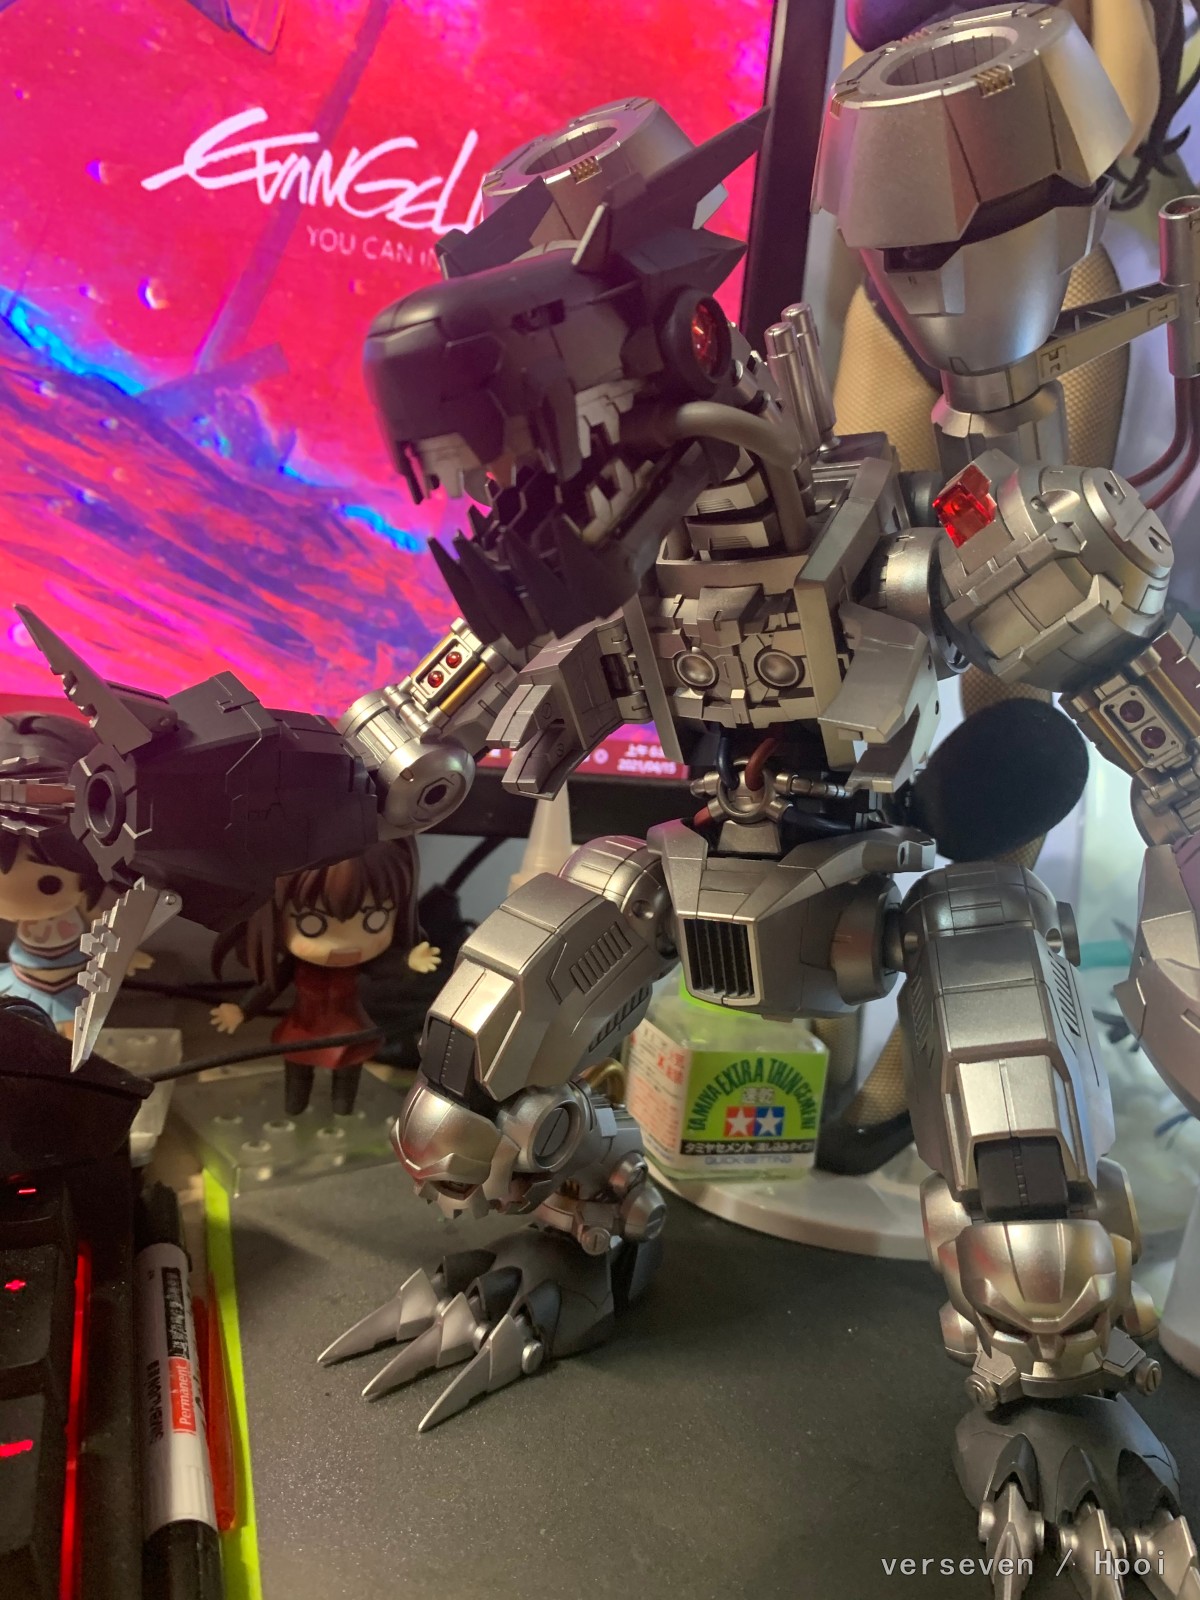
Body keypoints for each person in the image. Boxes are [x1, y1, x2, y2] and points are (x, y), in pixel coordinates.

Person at [210, 840, 440, 1115]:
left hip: (348, 1027)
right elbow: (269, 987)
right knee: (297, 1079)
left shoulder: (359, 964)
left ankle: (342, 1112)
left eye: (374, 919)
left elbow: (382, 969)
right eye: (312, 923)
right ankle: (296, 1108)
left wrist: (408, 962)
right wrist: (243, 1010)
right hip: (302, 1028)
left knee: (346, 1081)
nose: (343, 945)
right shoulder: (295, 964)